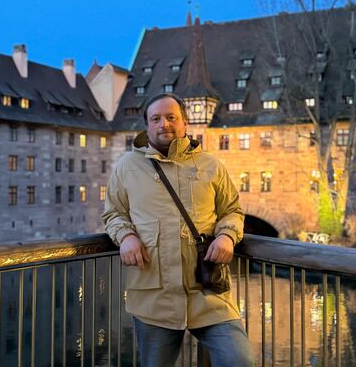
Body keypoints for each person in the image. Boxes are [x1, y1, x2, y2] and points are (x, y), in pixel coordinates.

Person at [102, 93, 253, 367]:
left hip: (208, 293)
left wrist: (227, 235)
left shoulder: (210, 164)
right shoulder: (127, 167)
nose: (164, 124)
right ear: (147, 125)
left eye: (171, 117)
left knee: (239, 360)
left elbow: (232, 209)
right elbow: (114, 213)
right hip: (154, 297)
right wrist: (126, 236)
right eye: (156, 119)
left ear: (185, 122)